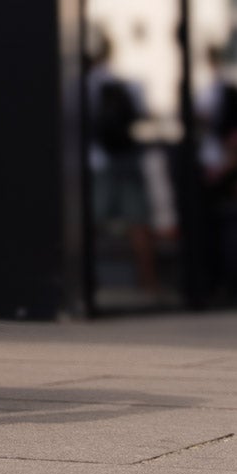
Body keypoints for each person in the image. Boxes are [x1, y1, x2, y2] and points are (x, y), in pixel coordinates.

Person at [87, 30, 158, 299]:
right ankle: (148, 282)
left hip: (97, 161)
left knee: (89, 223)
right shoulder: (125, 83)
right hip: (125, 159)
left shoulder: (84, 82)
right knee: (138, 222)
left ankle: (85, 284)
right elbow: (142, 115)